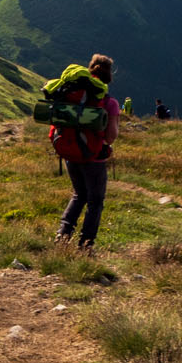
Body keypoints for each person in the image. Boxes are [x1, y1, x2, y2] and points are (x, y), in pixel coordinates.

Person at [52, 53, 121, 251]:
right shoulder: (109, 103)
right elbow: (110, 137)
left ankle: (62, 235)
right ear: (109, 75)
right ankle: (86, 244)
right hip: (94, 158)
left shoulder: (71, 97)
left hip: (70, 154)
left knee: (79, 194)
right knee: (95, 201)